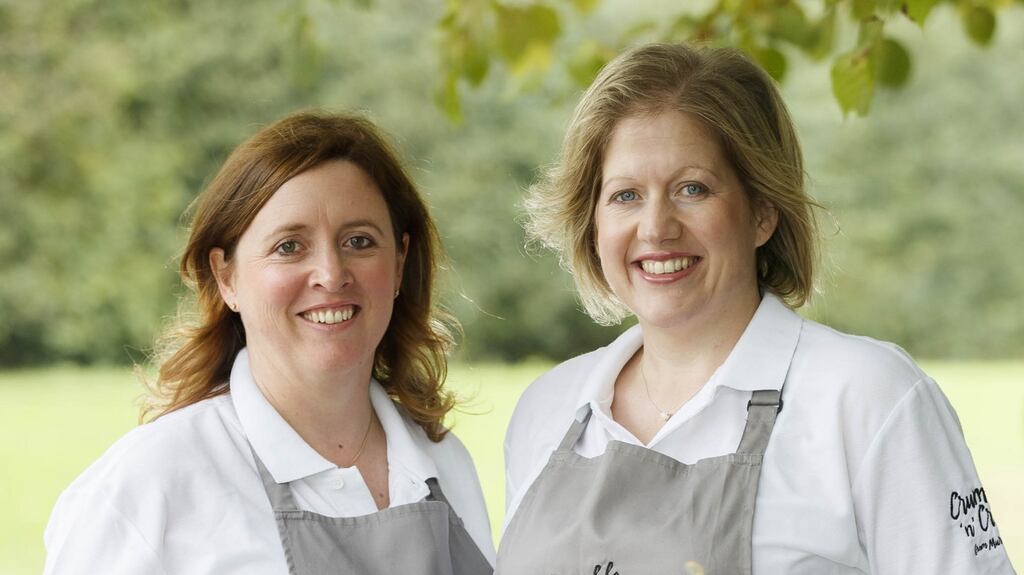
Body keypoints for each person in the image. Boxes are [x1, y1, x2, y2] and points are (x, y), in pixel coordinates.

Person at [497, 43, 1015, 574]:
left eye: (691, 189)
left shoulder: (866, 397)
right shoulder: (549, 410)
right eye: (625, 195)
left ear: (763, 213)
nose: (655, 228)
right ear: (594, 222)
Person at [43, 111, 495, 574]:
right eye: (289, 246)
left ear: (399, 263)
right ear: (226, 277)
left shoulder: (442, 463)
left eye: (358, 241)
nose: (331, 274)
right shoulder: (147, 488)